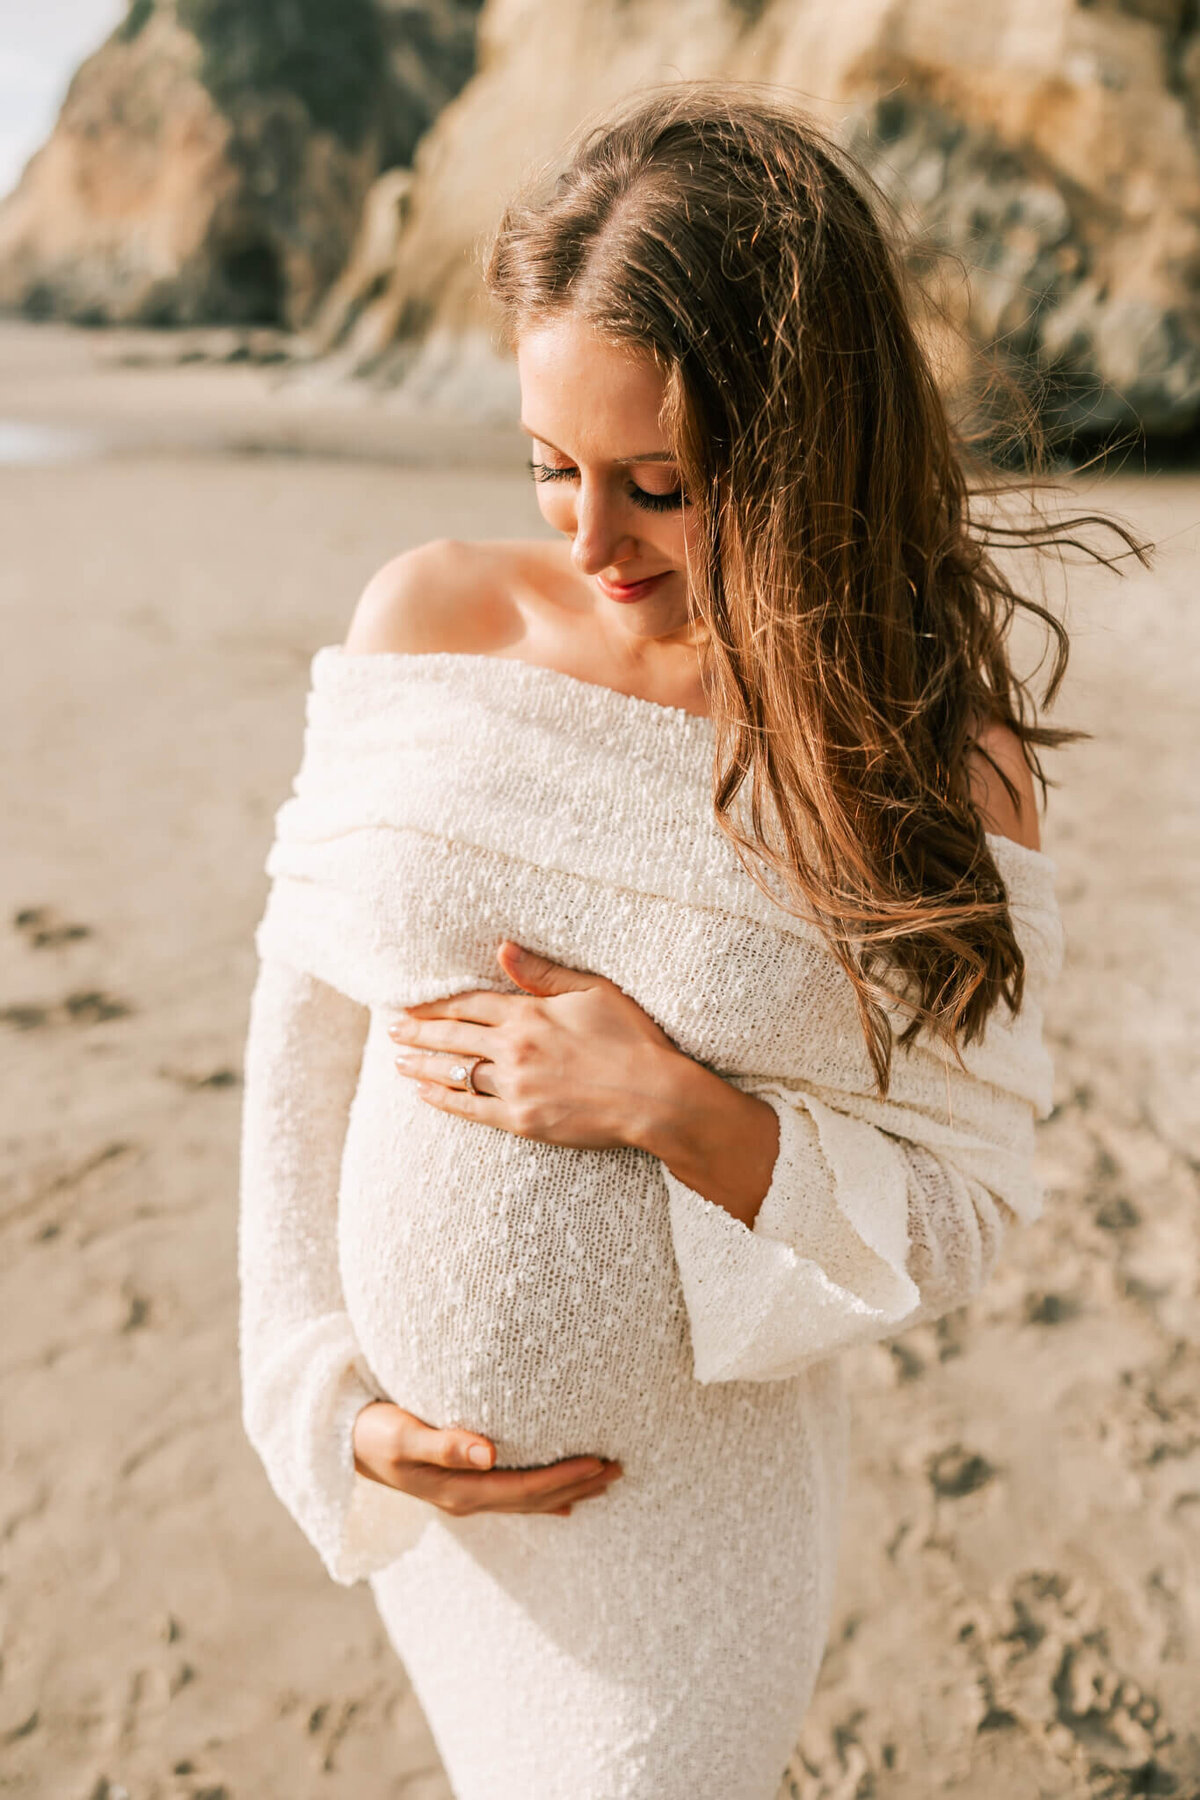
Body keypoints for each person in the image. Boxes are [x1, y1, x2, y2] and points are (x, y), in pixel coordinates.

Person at [237, 83, 1109, 1799]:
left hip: (687, 1529)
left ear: (808, 453)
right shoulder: (428, 626)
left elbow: (966, 1210)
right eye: (550, 465)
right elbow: (299, 1051)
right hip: (452, 1520)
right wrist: (326, 1400)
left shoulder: (931, 773)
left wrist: (670, 1105)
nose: (588, 537)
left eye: (661, 483)